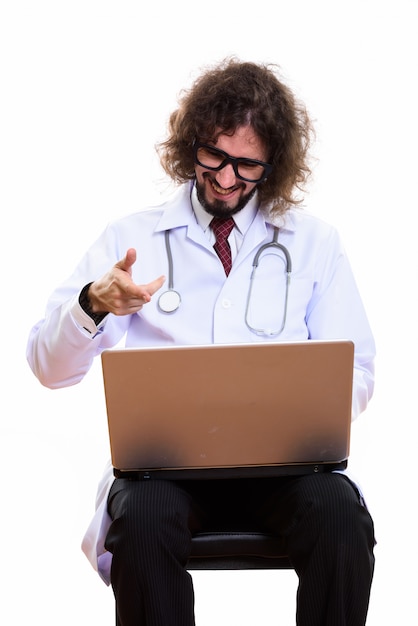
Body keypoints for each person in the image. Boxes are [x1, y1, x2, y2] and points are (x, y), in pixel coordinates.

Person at [26, 57, 376, 626]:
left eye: (248, 165)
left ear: (274, 165)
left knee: (339, 513)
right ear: (191, 144)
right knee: (141, 519)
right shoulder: (131, 239)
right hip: (165, 477)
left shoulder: (315, 244)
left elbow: (357, 370)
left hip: (285, 471)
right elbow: (47, 366)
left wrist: (304, 406)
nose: (226, 178)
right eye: (214, 156)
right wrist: (93, 304)